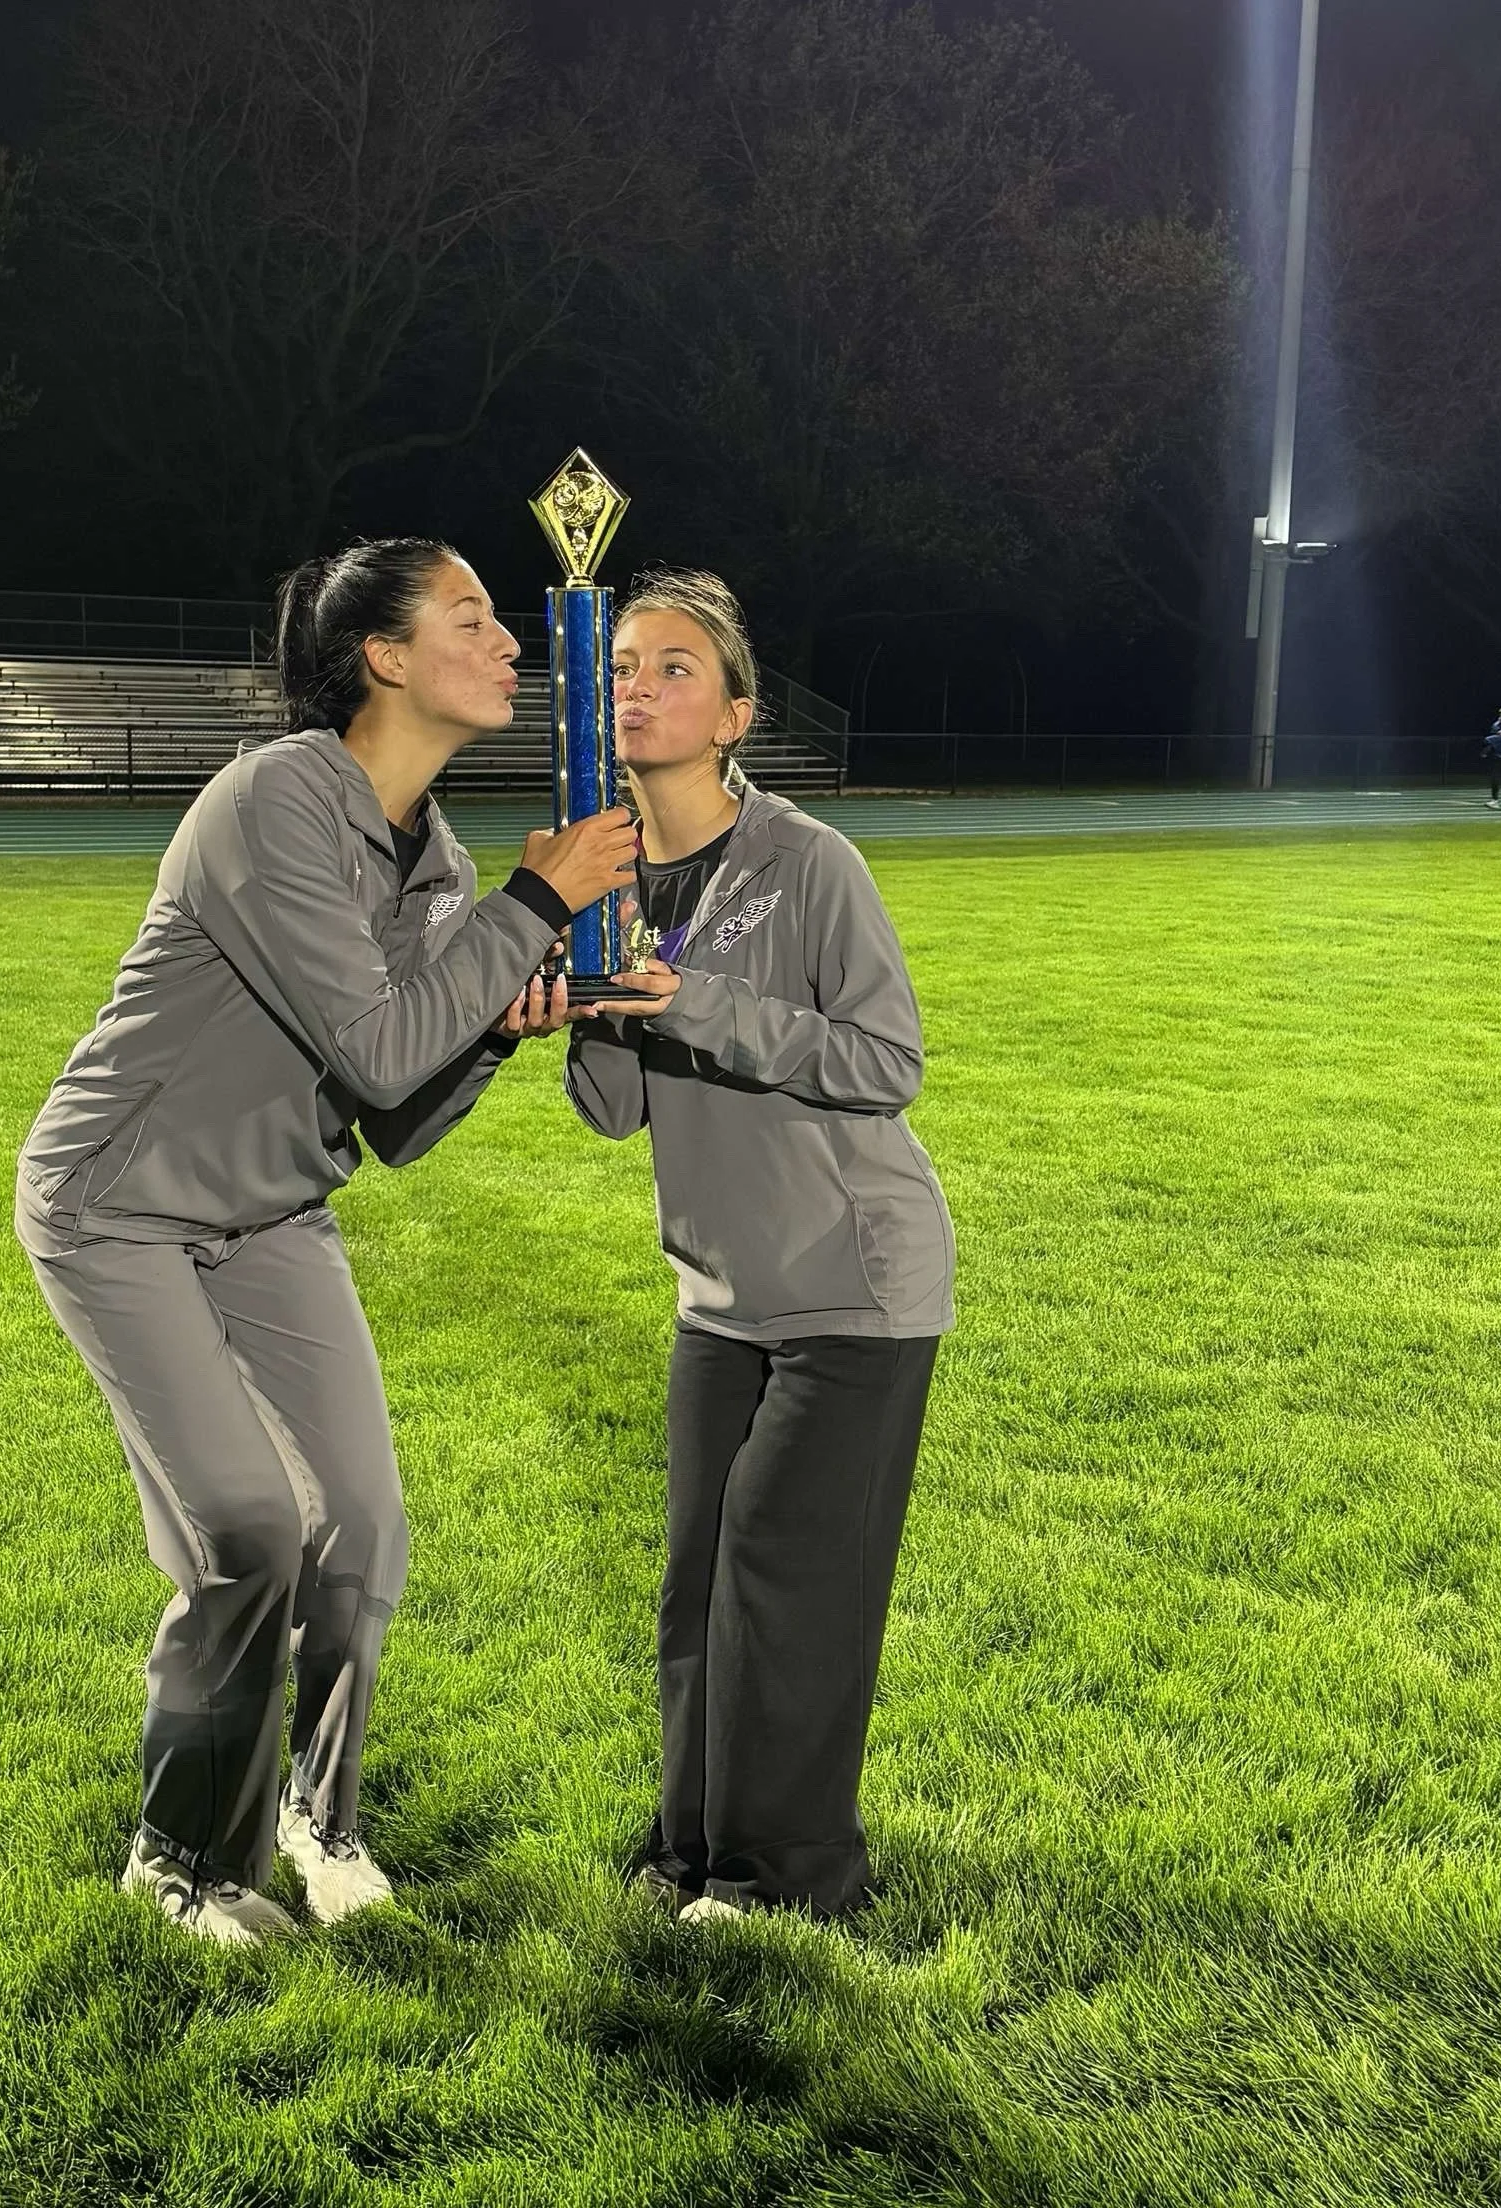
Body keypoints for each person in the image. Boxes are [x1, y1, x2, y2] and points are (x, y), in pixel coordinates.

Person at [16, 539, 638, 1944]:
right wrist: (538, 905)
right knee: (249, 1527)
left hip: (274, 1213)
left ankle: (318, 1817)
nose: (506, 645)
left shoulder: (441, 862)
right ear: (387, 658)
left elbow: (397, 1111)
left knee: (357, 1532)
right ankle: (178, 1859)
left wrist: (499, 1028)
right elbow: (372, 1037)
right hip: (119, 1205)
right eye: (471, 619)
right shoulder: (279, 794)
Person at [564, 570, 954, 1925]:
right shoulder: (601, 868)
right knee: (696, 1584)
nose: (640, 685)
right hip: (720, 1294)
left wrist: (704, 1002)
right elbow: (615, 1112)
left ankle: (786, 1876)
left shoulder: (806, 863)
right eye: (623, 664)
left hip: (854, 1282)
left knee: (782, 1573)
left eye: (676, 669)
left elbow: (886, 1058)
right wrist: (585, 1005)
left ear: (736, 713)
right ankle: (689, 1849)